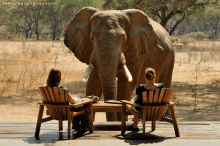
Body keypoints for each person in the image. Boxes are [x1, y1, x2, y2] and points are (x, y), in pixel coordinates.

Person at [46, 68, 96, 136]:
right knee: (86, 105)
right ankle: (84, 126)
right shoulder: (62, 89)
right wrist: (78, 100)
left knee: (78, 103)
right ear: (59, 78)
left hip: (55, 111)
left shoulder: (46, 89)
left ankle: (75, 126)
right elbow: (73, 102)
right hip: (66, 111)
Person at [126, 68, 165, 132]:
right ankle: (135, 125)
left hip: (142, 110)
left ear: (145, 77)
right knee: (136, 103)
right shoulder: (161, 86)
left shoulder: (140, 87)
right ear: (155, 76)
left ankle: (137, 116)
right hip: (156, 111)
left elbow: (136, 97)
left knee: (128, 104)